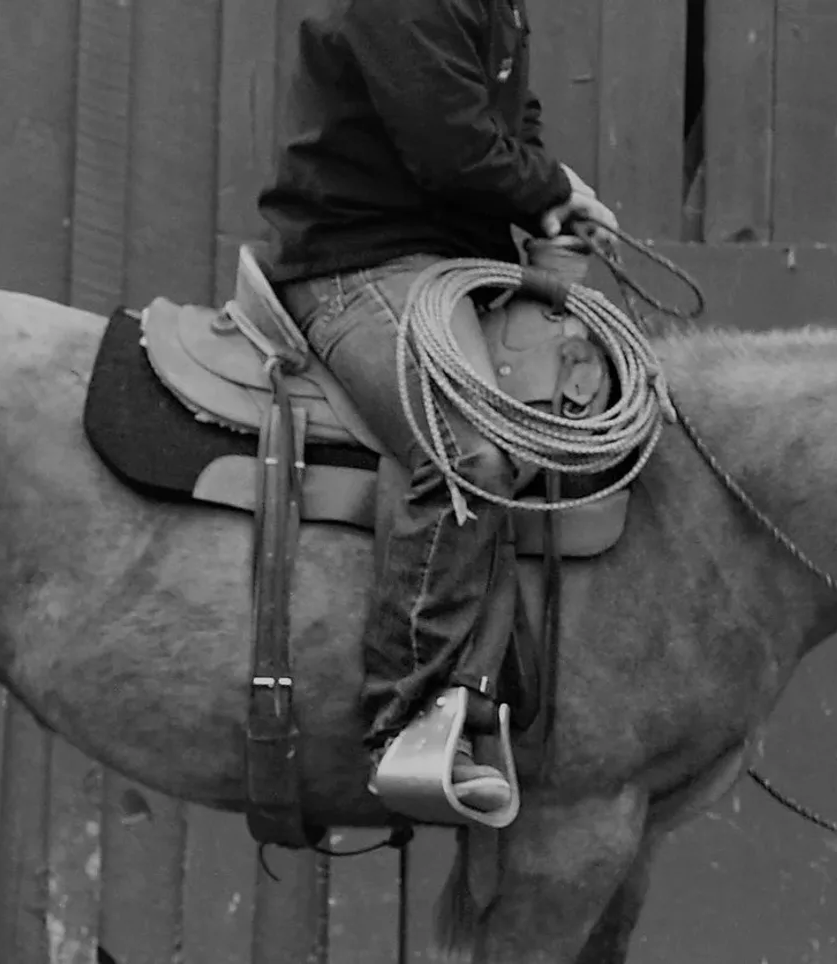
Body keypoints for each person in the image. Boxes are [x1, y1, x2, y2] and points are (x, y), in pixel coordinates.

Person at [256, 0, 620, 814]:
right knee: (469, 450)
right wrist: (552, 185)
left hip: (449, 265)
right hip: (361, 264)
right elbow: (450, 147)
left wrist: (546, 200)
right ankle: (410, 718)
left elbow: (505, 115)